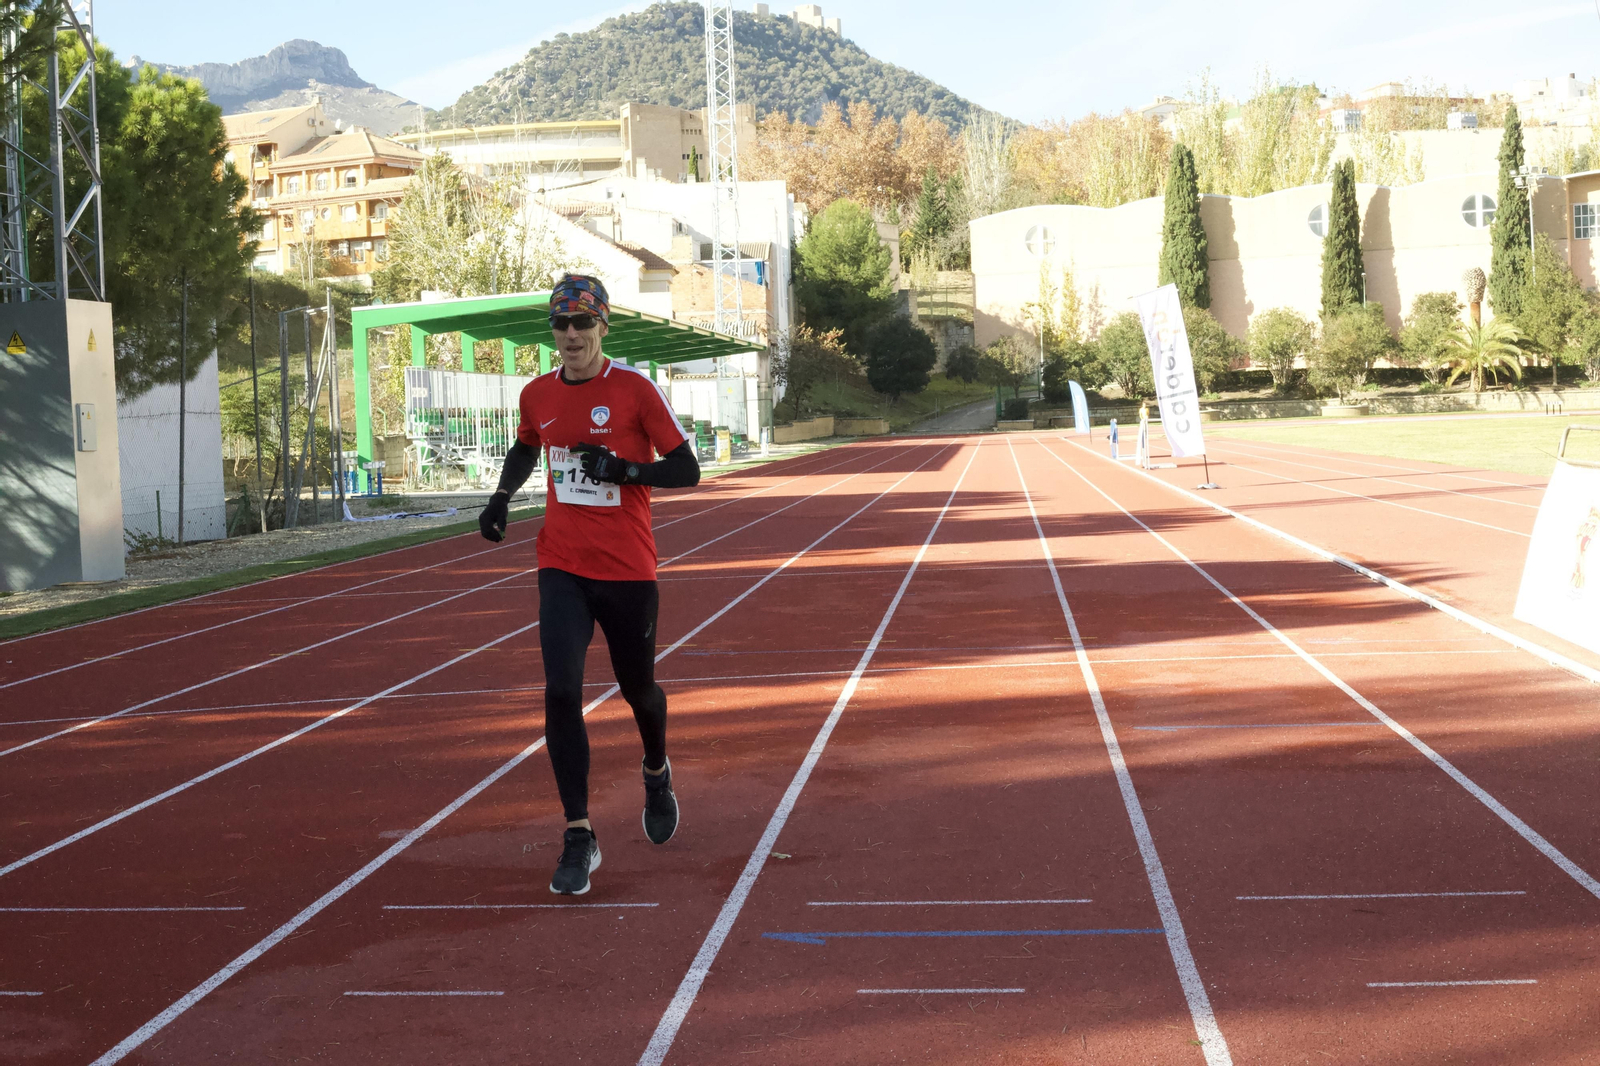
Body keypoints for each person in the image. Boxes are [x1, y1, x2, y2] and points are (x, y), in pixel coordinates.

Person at [478, 274, 700, 895]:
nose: (571, 334)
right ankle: (579, 834)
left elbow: (687, 469)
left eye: (582, 322)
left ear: (604, 327)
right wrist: (501, 497)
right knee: (560, 690)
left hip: (628, 567)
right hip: (562, 566)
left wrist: (627, 469)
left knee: (640, 691)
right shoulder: (536, 394)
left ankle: (656, 769)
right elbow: (527, 446)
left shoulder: (633, 391)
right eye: (561, 324)